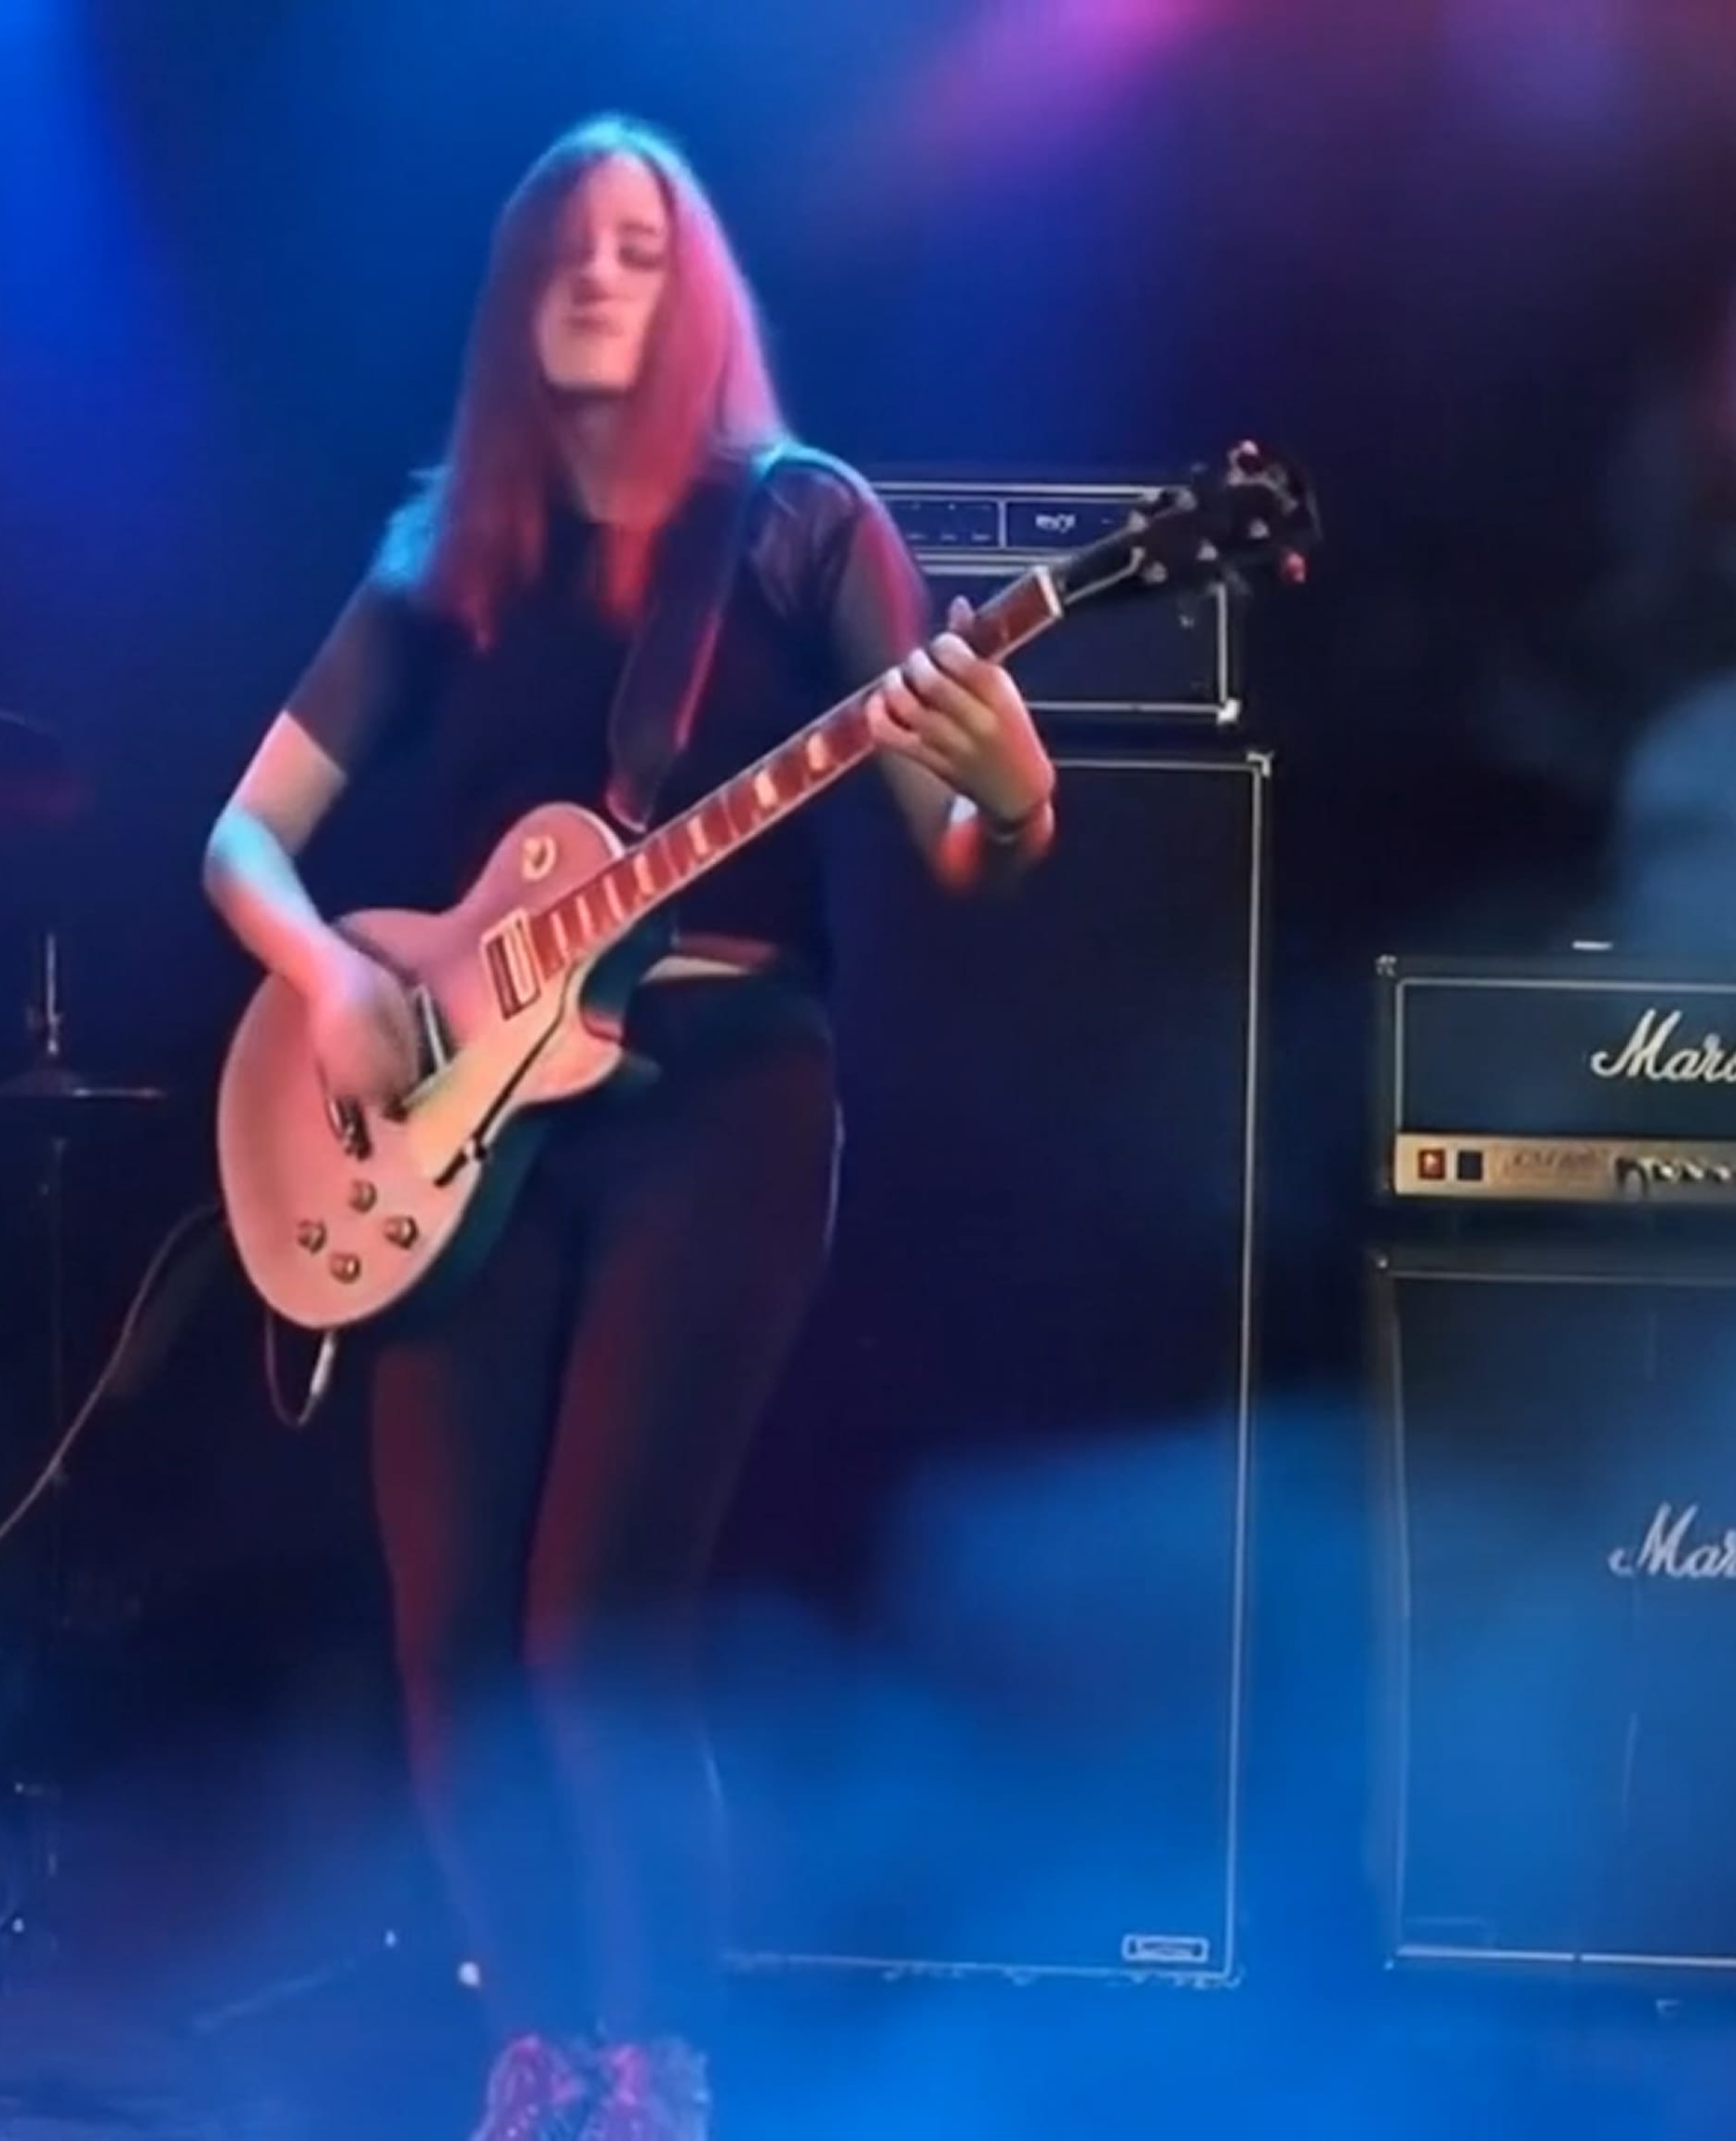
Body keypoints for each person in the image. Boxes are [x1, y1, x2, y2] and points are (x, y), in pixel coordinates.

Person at [200, 116, 1057, 2141]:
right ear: (513, 298)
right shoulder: (439, 553)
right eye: (563, 247)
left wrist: (1008, 790)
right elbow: (243, 834)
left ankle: (660, 2065)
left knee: (600, 1616)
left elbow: (958, 847)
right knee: (451, 1643)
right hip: (453, 1125)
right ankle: (539, 2054)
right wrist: (332, 978)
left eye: (641, 246)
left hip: (723, 1092)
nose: (599, 272)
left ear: (696, 296)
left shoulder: (797, 525)